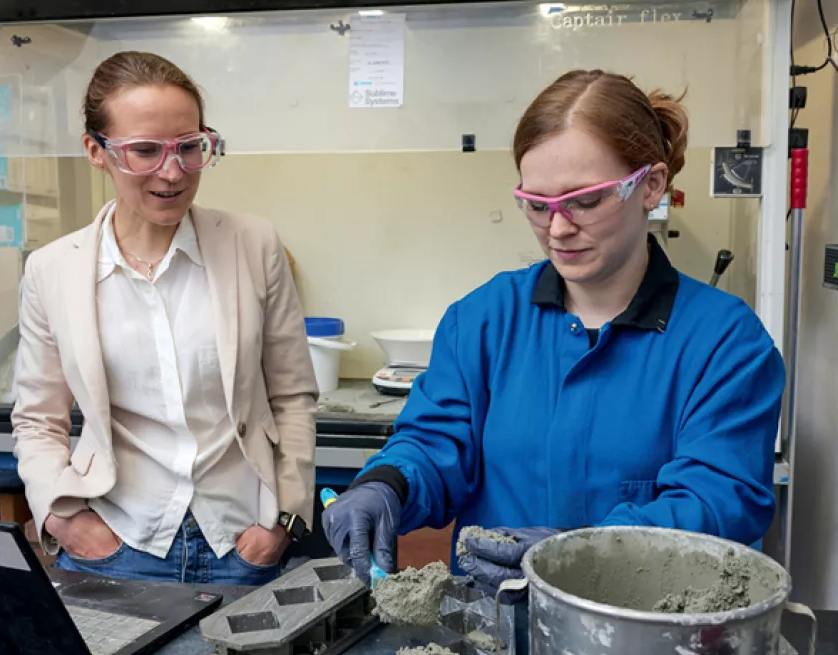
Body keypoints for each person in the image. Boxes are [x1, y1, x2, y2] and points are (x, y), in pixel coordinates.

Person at [322, 69, 786, 592]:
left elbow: (716, 500)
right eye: (537, 205)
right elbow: (435, 442)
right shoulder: (485, 318)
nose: (558, 229)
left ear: (650, 186)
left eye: (585, 200)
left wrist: (576, 556)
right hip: (488, 630)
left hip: (647, 637)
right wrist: (387, 484)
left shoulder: (725, 343)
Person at [12, 51, 318, 586]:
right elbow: (39, 418)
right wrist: (61, 518)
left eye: (189, 147)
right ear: (96, 151)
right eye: (145, 151)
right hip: (114, 540)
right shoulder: (52, 270)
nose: (172, 172)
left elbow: (292, 396)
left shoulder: (254, 244)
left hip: (240, 541)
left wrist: (286, 520)